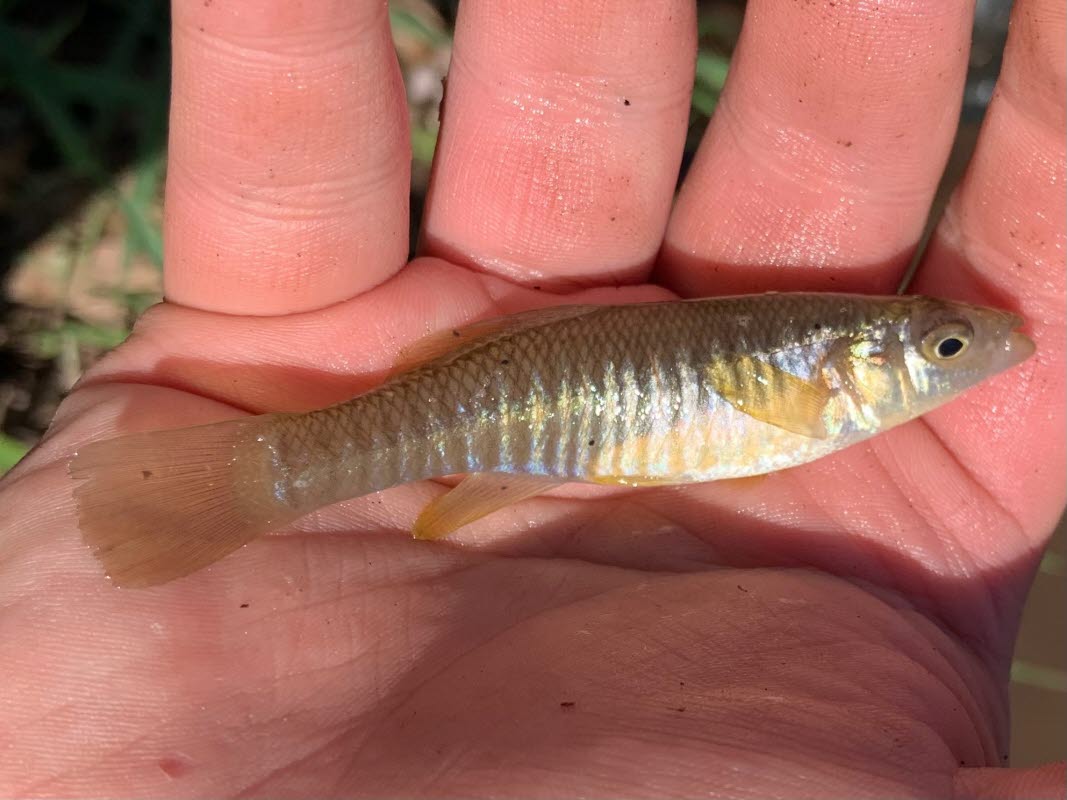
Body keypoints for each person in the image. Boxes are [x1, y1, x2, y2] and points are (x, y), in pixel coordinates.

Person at [1, 0, 1063, 796]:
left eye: (948, 341)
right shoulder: (817, 386)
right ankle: (263, 474)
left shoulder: (822, 382)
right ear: (851, 363)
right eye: (949, 345)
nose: (979, 348)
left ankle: (272, 471)